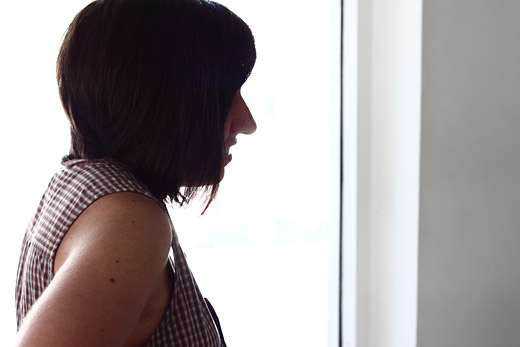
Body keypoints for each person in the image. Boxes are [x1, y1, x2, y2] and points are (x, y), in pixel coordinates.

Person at [15, 0, 256, 345]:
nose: (247, 123)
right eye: (225, 97)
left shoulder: (78, 183)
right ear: (165, 102)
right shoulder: (131, 221)